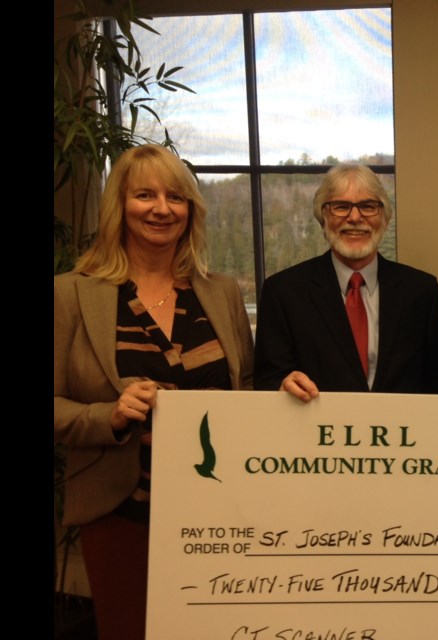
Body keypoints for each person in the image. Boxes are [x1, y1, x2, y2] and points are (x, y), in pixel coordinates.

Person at [54, 144, 255, 640]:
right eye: (145, 195)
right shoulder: (70, 294)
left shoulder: (221, 291)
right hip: (121, 513)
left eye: (176, 196)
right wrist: (110, 415)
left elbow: (246, 387)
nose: (162, 209)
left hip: (219, 512)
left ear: (191, 211)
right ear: (119, 206)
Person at [254, 162, 438, 399]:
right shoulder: (283, 292)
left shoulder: (422, 292)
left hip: (404, 434)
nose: (355, 217)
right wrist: (282, 384)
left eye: (368, 206)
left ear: (385, 218)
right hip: (315, 434)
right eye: (341, 206)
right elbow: (267, 381)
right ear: (323, 216)